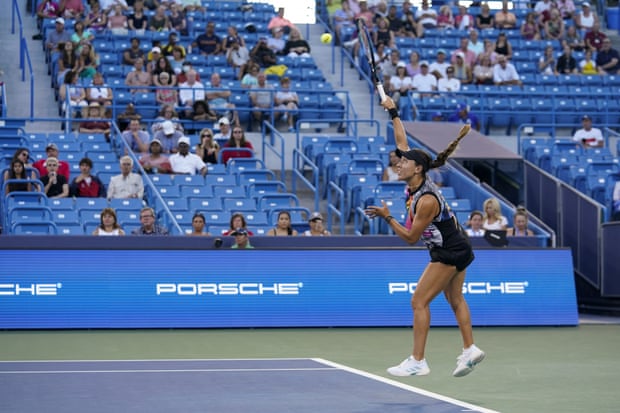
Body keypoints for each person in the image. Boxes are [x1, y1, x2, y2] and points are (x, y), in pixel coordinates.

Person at [365, 96, 484, 378]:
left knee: (418, 301)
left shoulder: (426, 199)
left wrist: (387, 216)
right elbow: (401, 140)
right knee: (455, 299)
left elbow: (409, 237)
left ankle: (418, 360)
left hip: (449, 251)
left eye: (403, 162)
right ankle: (470, 349)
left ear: (417, 168)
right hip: (459, 245)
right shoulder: (417, 178)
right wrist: (393, 110)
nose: (397, 163)